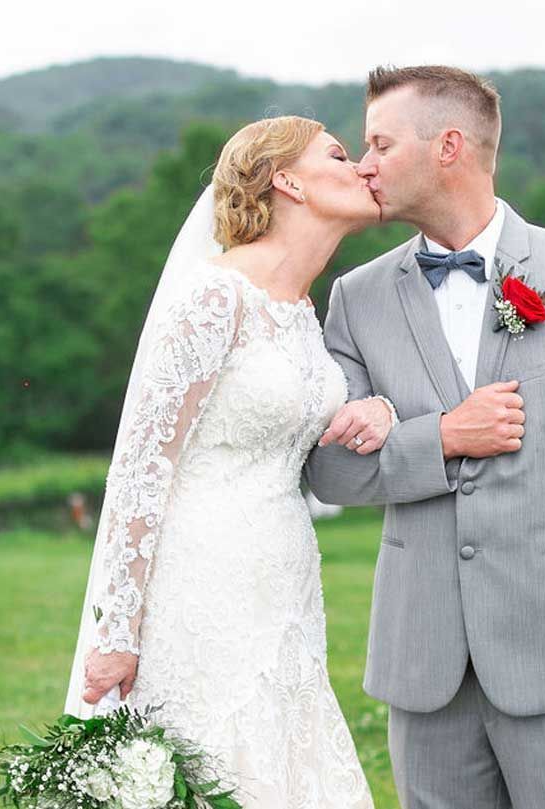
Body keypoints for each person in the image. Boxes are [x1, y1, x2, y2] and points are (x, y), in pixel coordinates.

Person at [304, 65, 545, 809]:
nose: (364, 162)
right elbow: (330, 475)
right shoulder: (356, 297)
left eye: (380, 143)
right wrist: (441, 437)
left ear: (448, 146)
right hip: (424, 664)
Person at [64, 115, 395, 808]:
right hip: (199, 580)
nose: (363, 166)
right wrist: (116, 632)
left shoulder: (304, 309)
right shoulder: (216, 296)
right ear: (286, 180)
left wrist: (378, 412)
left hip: (284, 577)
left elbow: (298, 426)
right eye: (339, 154)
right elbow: (140, 467)